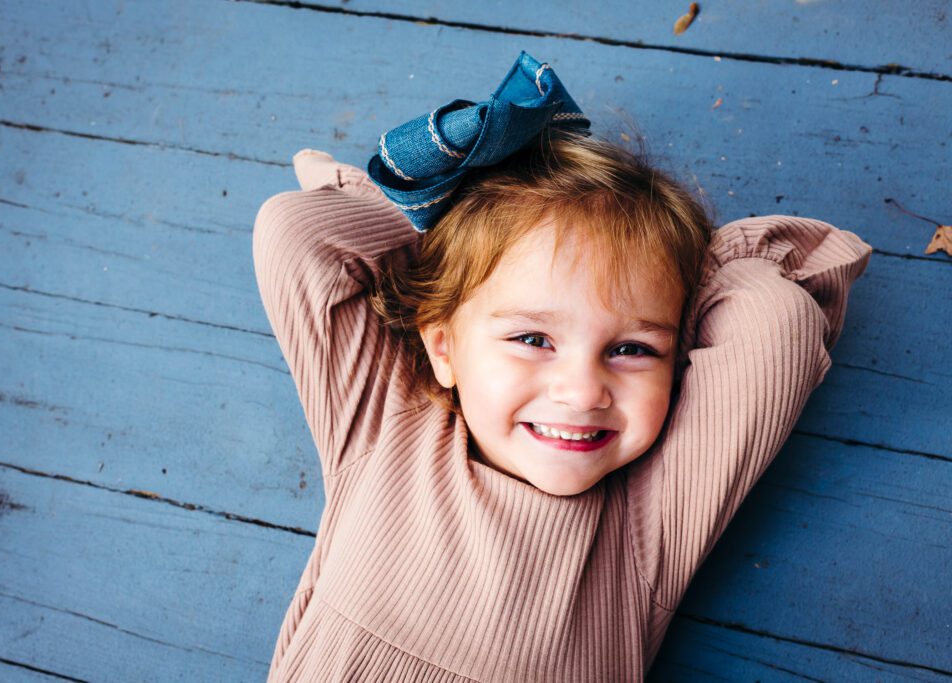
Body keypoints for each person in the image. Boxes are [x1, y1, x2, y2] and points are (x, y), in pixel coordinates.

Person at [252, 52, 871, 681]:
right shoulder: (388, 430)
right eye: (531, 338)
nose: (581, 392)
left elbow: (779, 329)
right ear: (443, 349)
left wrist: (677, 263)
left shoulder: (647, 526)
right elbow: (297, 234)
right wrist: (462, 215)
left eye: (633, 349)